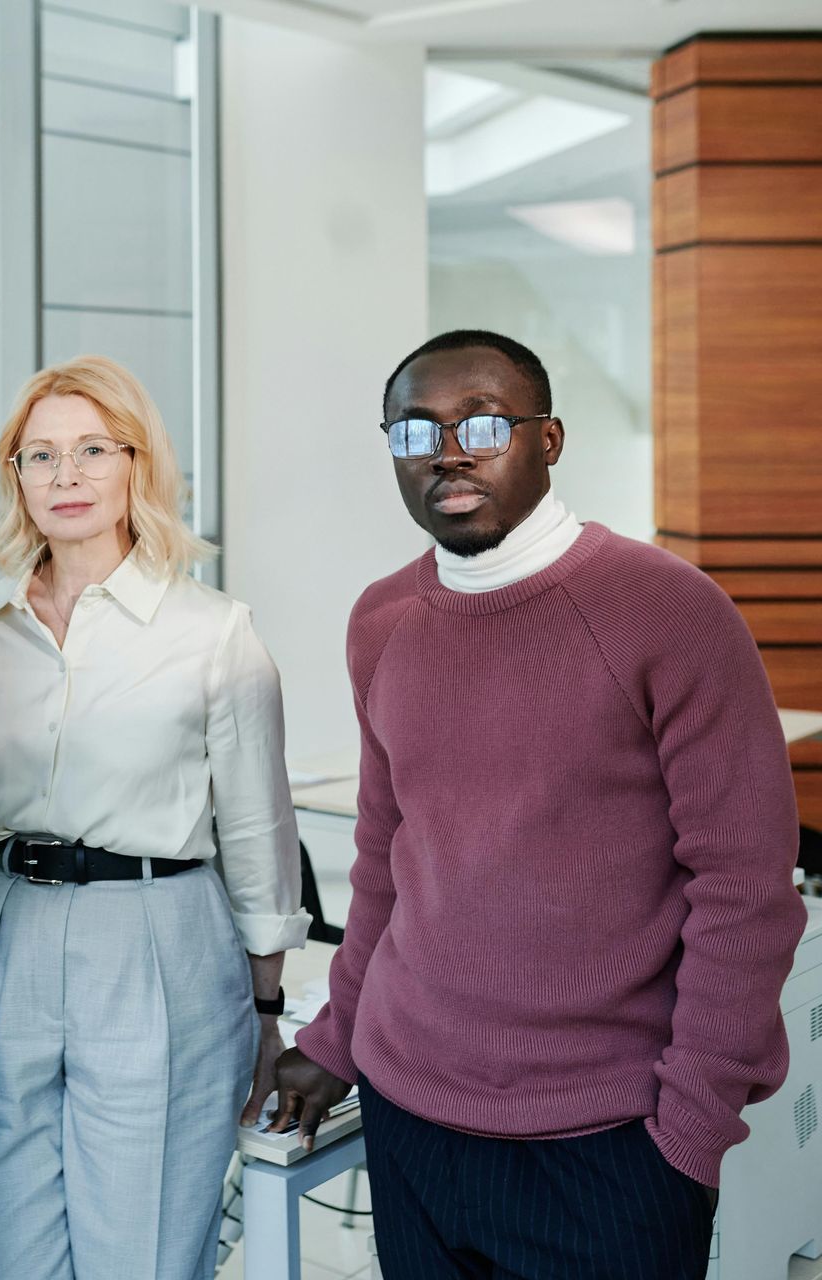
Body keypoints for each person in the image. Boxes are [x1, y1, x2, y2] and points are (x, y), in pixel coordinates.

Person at [271, 330, 808, 1279]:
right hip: (413, 1117)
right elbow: (387, 856)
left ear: (548, 440)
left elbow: (747, 891)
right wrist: (338, 1037)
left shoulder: (668, 610)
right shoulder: (382, 621)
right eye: (415, 431)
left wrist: (689, 1130)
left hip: (609, 1139)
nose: (448, 451)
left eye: (483, 424)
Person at [0, 356, 307, 1279]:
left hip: (157, 938)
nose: (66, 476)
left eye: (93, 449)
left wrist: (267, 1018)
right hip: (8, 932)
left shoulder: (215, 634)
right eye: (41, 455)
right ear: (14, 476)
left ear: (138, 464)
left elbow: (259, 846)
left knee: (133, 1253)